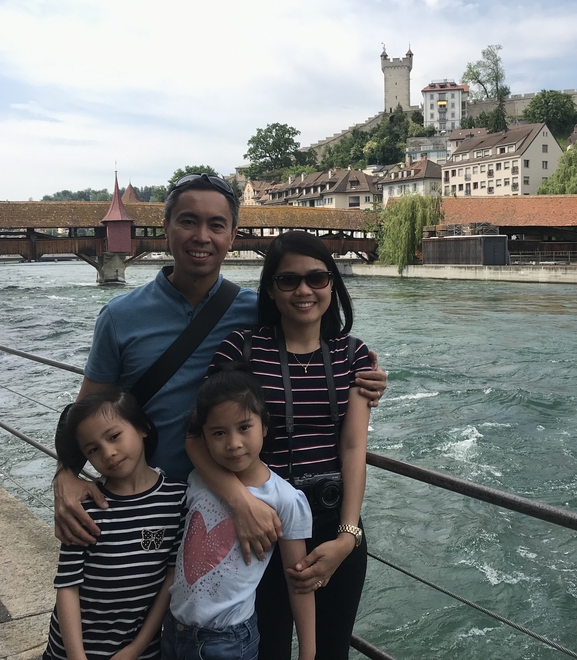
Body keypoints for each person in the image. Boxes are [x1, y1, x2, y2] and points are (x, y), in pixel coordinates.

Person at [54, 173, 389, 556]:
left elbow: (313, 346)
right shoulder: (119, 317)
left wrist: (365, 376)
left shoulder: (259, 312)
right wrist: (65, 474)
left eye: (216, 225)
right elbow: (85, 413)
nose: (202, 236)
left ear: (232, 236)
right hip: (149, 507)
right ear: (165, 227)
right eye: (188, 221)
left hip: (233, 512)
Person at [189, 230, 372, 660]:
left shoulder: (353, 356)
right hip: (259, 526)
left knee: (330, 652)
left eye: (317, 278)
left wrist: (347, 537)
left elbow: (353, 448)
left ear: (332, 284)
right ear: (271, 289)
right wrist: (241, 506)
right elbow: (196, 437)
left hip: (332, 523)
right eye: (288, 280)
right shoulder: (242, 350)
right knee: (266, 648)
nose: (304, 290)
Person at [164, 363, 315, 660]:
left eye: (244, 427)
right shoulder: (199, 479)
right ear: (204, 436)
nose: (233, 444)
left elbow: (298, 581)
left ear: (264, 426)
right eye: (219, 433)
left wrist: (308, 652)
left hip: (228, 640)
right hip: (175, 628)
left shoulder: (284, 499)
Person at [43, 389, 186, 660]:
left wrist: (136, 648)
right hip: (70, 652)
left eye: (114, 436)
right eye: (93, 449)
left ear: (142, 428)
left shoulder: (177, 499)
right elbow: (68, 585)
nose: (108, 453)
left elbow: (171, 577)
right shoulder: (85, 506)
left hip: (139, 652)